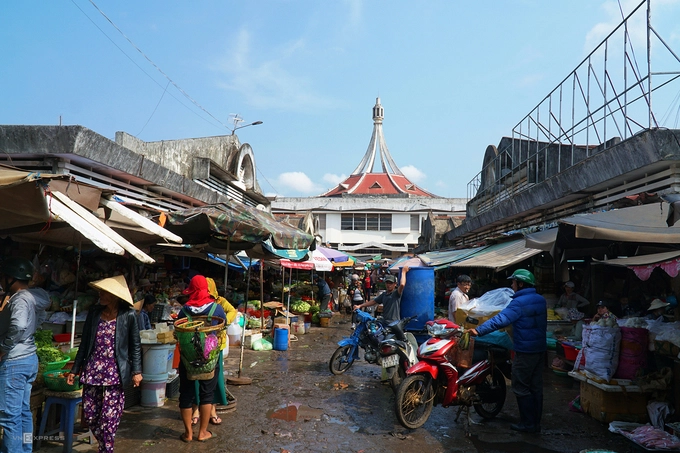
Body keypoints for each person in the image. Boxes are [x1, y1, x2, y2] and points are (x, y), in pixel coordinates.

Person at [66, 275, 143, 453]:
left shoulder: (129, 315)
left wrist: (137, 371)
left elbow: (135, 345)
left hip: (115, 373)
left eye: (104, 292)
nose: (100, 294)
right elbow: (84, 343)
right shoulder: (94, 314)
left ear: (114, 295)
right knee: (91, 416)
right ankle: (104, 445)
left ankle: (106, 448)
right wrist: (75, 369)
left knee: (109, 419)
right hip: (92, 370)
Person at [469, 269, 547, 434]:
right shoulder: (540, 300)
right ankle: (535, 424)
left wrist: (479, 330)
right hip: (539, 350)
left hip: (525, 351)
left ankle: (527, 424)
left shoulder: (518, 303)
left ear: (520, 283)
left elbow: (501, 320)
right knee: (535, 387)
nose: (511, 286)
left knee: (520, 386)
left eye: (513, 283)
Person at [0, 257, 51, 453]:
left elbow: (19, 325)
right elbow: (39, 319)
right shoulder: (33, 298)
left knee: (9, 416)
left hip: (15, 362)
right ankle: (25, 449)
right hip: (29, 359)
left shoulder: (20, 299)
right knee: (23, 413)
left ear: (11, 278)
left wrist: (4, 347)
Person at [176, 275, 226, 443]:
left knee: (186, 394)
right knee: (207, 395)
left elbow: (178, 332)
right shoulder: (216, 309)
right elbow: (222, 326)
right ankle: (202, 433)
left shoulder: (184, 311)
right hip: (209, 359)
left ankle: (188, 433)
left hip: (187, 359)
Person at [190, 277, 237, 427]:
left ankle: (212, 411)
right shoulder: (193, 304)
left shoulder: (219, 302)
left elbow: (232, 312)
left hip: (215, 347)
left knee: (214, 380)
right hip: (196, 347)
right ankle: (195, 410)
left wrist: (223, 323)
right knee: (196, 380)